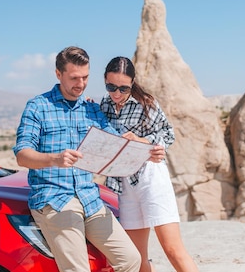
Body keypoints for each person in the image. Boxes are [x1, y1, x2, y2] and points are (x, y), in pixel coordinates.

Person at [14, 46, 165, 272]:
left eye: (85, 77)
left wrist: (148, 151)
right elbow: (22, 155)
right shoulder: (38, 107)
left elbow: (117, 145)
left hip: (90, 198)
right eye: (74, 78)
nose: (81, 84)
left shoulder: (92, 109)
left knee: (132, 260)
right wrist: (54, 159)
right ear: (58, 74)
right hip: (55, 199)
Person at [101, 56, 199, 272]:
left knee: (172, 249)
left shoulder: (146, 103)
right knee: (137, 258)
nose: (116, 93)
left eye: (123, 88)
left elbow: (168, 134)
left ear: (132, 83)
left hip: (150, 178)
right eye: (111, 86)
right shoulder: (104, 104)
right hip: (124, 184)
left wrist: (142, 142)